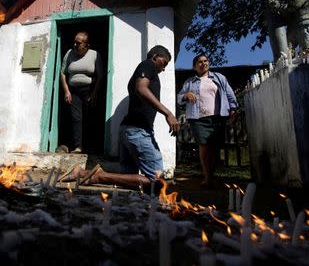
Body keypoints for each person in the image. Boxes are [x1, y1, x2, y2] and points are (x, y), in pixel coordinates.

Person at [59, 45, 180, 189]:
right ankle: (99, 176)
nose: (164, 68)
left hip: (130, 131)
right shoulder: (148, 65)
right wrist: (168, 113)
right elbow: (141, 88)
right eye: (164, 63)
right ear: (155, 57)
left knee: (128, 181)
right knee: (157, 180)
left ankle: (81, 172)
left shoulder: (146, 69)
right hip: (138, 131)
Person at [177, 54, 238, 188]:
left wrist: (233, 109)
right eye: (200, 62)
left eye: (205, 61)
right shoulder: (189, 82)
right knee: (204, 146)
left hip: (217, 117)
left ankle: (211, 175)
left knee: (214, 147)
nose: (203, 63)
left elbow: (229, 94)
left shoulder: (219, 78)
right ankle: (207, 177)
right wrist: (186, 95)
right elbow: (179, 97)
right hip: (198, 118)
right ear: (194, 66)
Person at [60, 31, 103, 154]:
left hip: (89, 90)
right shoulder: (69, 53)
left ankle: (91, 147)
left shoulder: (94, 54)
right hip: (73, 91)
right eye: (74, 42)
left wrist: (95, 93)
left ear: (86, 45)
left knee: (90, 118)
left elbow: (100, 75)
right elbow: (63, 73)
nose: (75, 45)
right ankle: (78, 147)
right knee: (76, 118)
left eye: (78, 43)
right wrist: (66, 91)